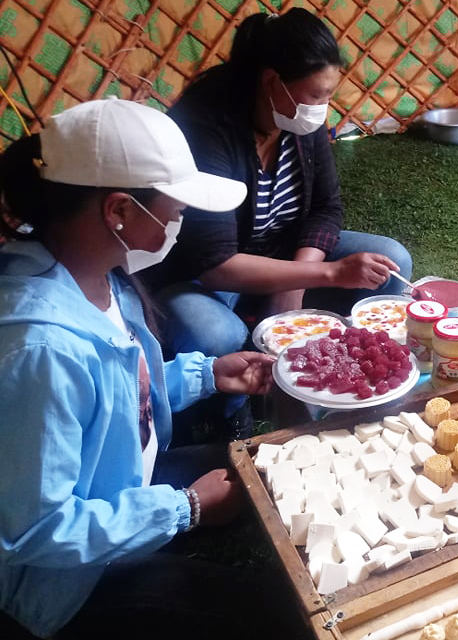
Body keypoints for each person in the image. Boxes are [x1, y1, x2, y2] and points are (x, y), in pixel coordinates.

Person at [0, 99, 308, 639]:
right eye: (175, 209)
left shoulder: (97, 273)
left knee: (286, 465)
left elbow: (116, 394)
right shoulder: (40, 351)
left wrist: (207, 375)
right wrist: (184, 509)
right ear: (118, 210)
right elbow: (34, 528)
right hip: (70, 583)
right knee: (283, 619)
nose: (178, 222)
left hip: (123, 482)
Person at [146, 7, 412, 360]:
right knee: (214, 333)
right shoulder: (205, 129)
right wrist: (327, 272)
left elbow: (325, 207)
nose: (323, 108)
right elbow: (215, 264)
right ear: (271, 82)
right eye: (316, 95)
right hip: (199, 274)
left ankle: (362, 361)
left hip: (281, 250)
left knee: (392, 261)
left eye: (328, 95)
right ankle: (232, 404)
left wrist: (299, 278)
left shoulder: (299, 122)